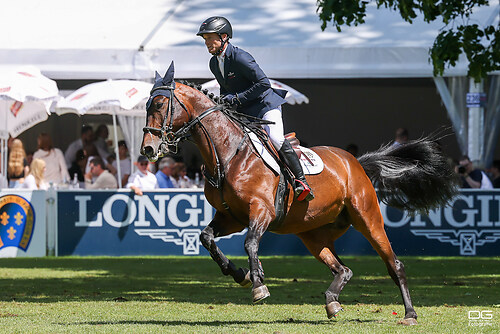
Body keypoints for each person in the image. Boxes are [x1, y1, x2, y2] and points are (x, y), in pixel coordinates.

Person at [197, 16, 313, 201]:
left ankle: (301, 182)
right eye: (205, 40)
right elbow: (226, 89)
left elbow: (263, 83)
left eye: (211, 38)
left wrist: (237, 98)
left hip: (265, 106)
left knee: (275, 138)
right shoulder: (214, 63)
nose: (207, 43)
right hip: (245, 112)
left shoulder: (240, 57)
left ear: (224, 36)